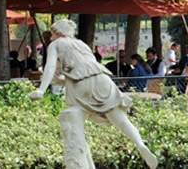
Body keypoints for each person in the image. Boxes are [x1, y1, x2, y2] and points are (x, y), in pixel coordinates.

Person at [28, 19, 158, 169]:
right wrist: (61, 81)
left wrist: (41, 89)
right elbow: (83, 71)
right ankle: (140, 144)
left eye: (52, 34)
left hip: (82, 85)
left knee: (74, 112)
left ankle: (78, 158)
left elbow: (50, 66)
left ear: (58, 33)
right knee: (121, 120)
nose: (50, 38)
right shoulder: (81, 44)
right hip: (103, 79)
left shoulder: (56, 44)